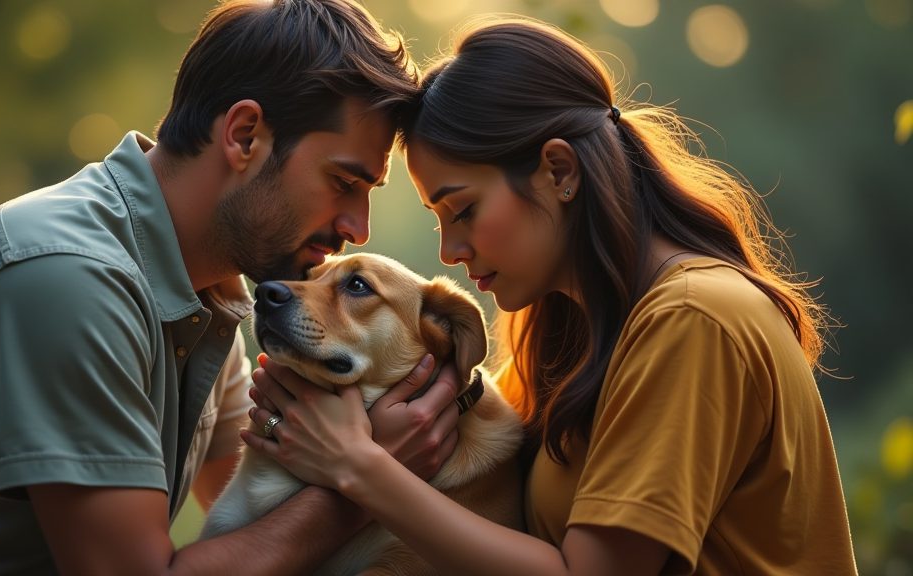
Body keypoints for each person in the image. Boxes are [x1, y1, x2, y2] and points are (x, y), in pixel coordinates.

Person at [243, 17, 860, 576]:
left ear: (559, 172)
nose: (450, 252)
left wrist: (358, 466)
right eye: (438, 219)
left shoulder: (694, 316)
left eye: (463, 210)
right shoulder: (570, 335)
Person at [0, 1, 465, 574]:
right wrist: (372, 479)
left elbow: (254, 513)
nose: (357, 226)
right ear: (244, 136)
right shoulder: (70, 280)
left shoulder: (207, 287)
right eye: (343, 181)